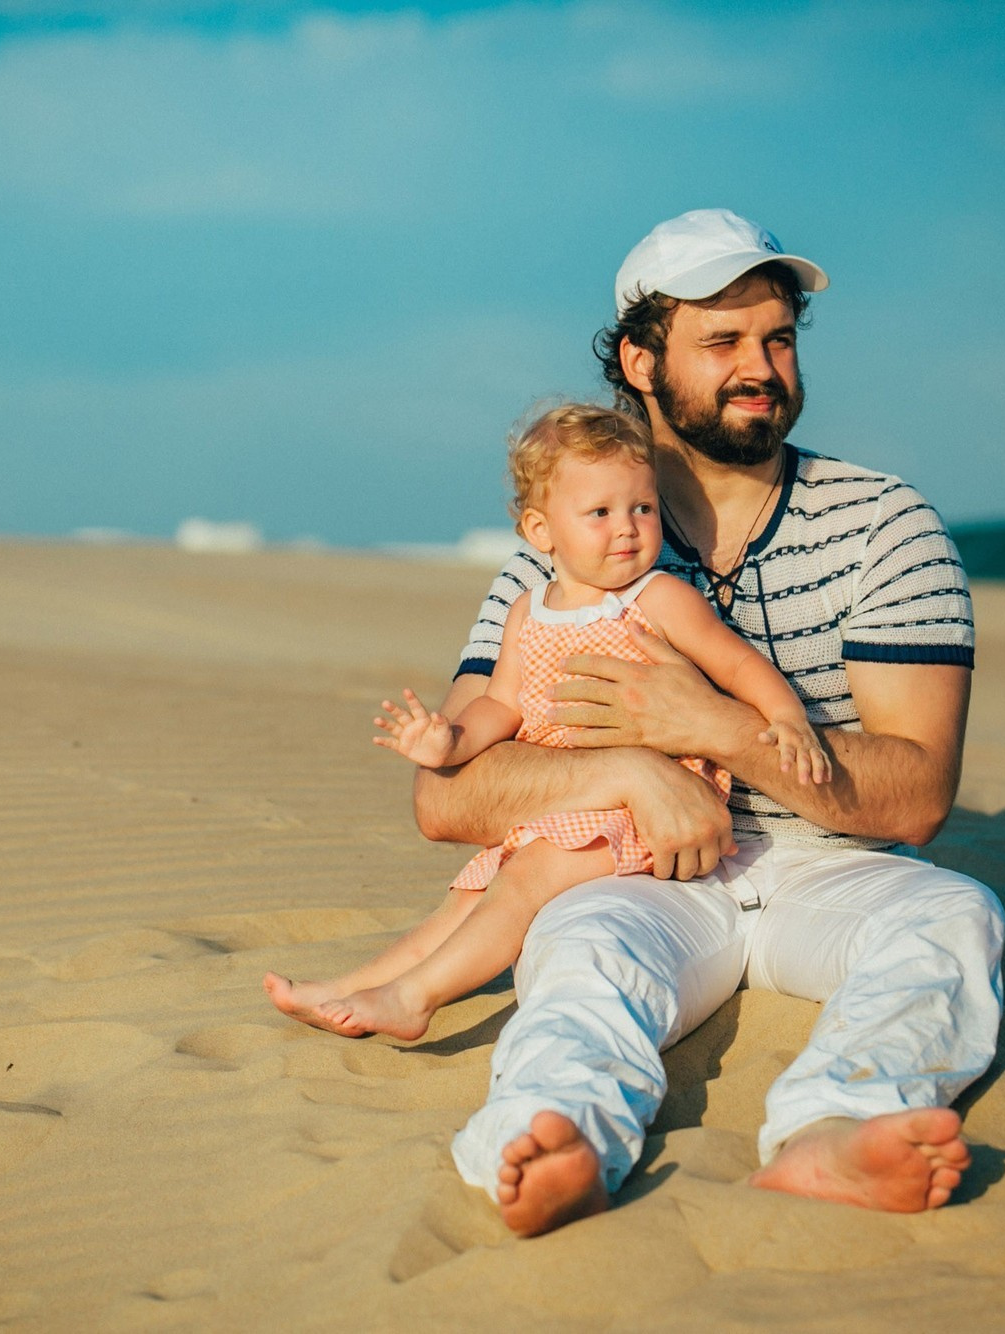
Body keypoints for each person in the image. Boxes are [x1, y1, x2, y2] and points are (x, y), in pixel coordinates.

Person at [422, 209, 1005, 1237]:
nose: (761, 366)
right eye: (723, 340)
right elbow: (447, 795)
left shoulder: (884, 523)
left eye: (777, 337)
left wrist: (713, 725)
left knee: (951, 917)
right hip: (642, 874)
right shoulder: (572, 539)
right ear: (641, 361)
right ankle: (554, 1136)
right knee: (579, 949)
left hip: (830, 866)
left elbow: (915, 793)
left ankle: (837, 1126)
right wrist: (637, 775)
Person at [263, 404, 830, 1043]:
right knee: (467, 897)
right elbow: (500, 705)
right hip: (566, 802)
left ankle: (416, 997)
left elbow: (737, 663)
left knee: (522, 882)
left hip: (645, 809)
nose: (628, 529)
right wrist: (449, 741)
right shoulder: (528, 611)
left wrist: (786, 716)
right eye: (600, 513)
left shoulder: (657, 598)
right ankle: (349, 989)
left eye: (642, 508)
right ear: (541, 529)